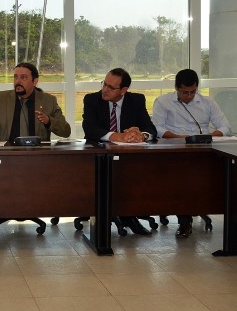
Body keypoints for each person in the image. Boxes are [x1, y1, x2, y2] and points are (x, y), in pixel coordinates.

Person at [152, 68, 232, 238]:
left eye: (192, 92)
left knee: (223, 174)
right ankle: (185, 220)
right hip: (175, 151)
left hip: (204, 149)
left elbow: (226, 127)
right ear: (176, 87)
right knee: (184, 177)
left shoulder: (207, 102)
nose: (189, 96)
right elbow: (157, 129)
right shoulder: (163, 102)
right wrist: (182, 139)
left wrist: (206, 137)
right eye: (184, 92)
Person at [82, 68, 158, 236]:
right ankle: (108, 217)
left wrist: (141, 136)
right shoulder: (92, 100)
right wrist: (117, 136)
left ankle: (128, 215)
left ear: (124, 90)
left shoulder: (137, 100)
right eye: (104, 84)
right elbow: (90, 128)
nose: (104, 90)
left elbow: (150, 128)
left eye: (111, 87)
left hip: (128, 159)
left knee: (138, 173)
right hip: (97, 157)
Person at [0, 62, 71, 141]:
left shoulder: (49, 100)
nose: (18, 81)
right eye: (16, 77)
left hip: (37, 155)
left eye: (23, 77)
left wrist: (49, 121)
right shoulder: (1, 99)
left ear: (35, 81)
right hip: (6, 154)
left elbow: (66, 131)